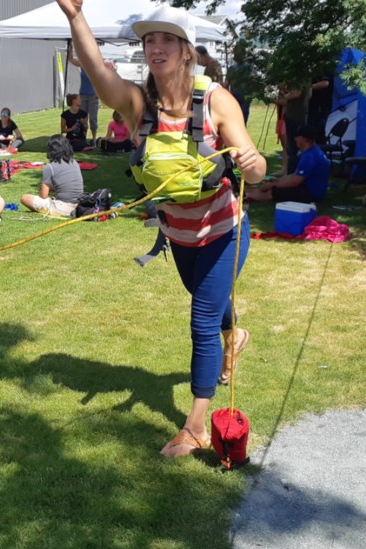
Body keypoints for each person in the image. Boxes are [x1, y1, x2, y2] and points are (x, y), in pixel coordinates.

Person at [56, 0, 266, 457]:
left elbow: (256, 170)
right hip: (179, 234)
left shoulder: (216, 100)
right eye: (149, 40)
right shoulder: (138, 105)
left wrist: (252, 162)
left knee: (201, 319)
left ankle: (195, 425)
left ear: (187, 50)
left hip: (223, 230)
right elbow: (97, 73)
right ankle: (237, 336)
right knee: (208, 305)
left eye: (166, 39)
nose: (156, 47)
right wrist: (75, 17)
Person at [246, 125, 329, 203]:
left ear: (304, 139)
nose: (295, 139)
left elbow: (295, 182)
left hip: (310, 194)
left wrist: (274, 185)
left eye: (297, 137)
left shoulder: (309, 156)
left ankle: (248, 196)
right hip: (309, 189)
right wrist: (278, 180)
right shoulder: (312, 151)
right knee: (272, 186)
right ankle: (249, 191)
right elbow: (295, 175)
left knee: (273, 191)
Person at [20, 136, 84, 217]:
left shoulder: (50, 167)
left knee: (25, 198)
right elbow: (66, 185)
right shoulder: (74, 162)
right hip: (79, 204)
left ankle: (49, 211)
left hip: (63, 207)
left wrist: (43, 188)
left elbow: (43, 195)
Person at [68, 44, 100, 144]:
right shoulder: (83, 64)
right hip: (82, 95)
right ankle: (83, 138)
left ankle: (94, 139)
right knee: (82, 118)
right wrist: (70, 47)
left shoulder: (96, 65)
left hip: (93, 96)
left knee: (93, 119)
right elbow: (71, 59)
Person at [278, 80, 311, 174]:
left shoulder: (300, 77)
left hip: (294, 117)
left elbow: (295, 93)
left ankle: (292, 174)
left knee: (293, 148)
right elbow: (310, 94)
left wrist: (282, 97)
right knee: (293, 148)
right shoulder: (305, 77)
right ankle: (293, 172)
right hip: (297, 115)